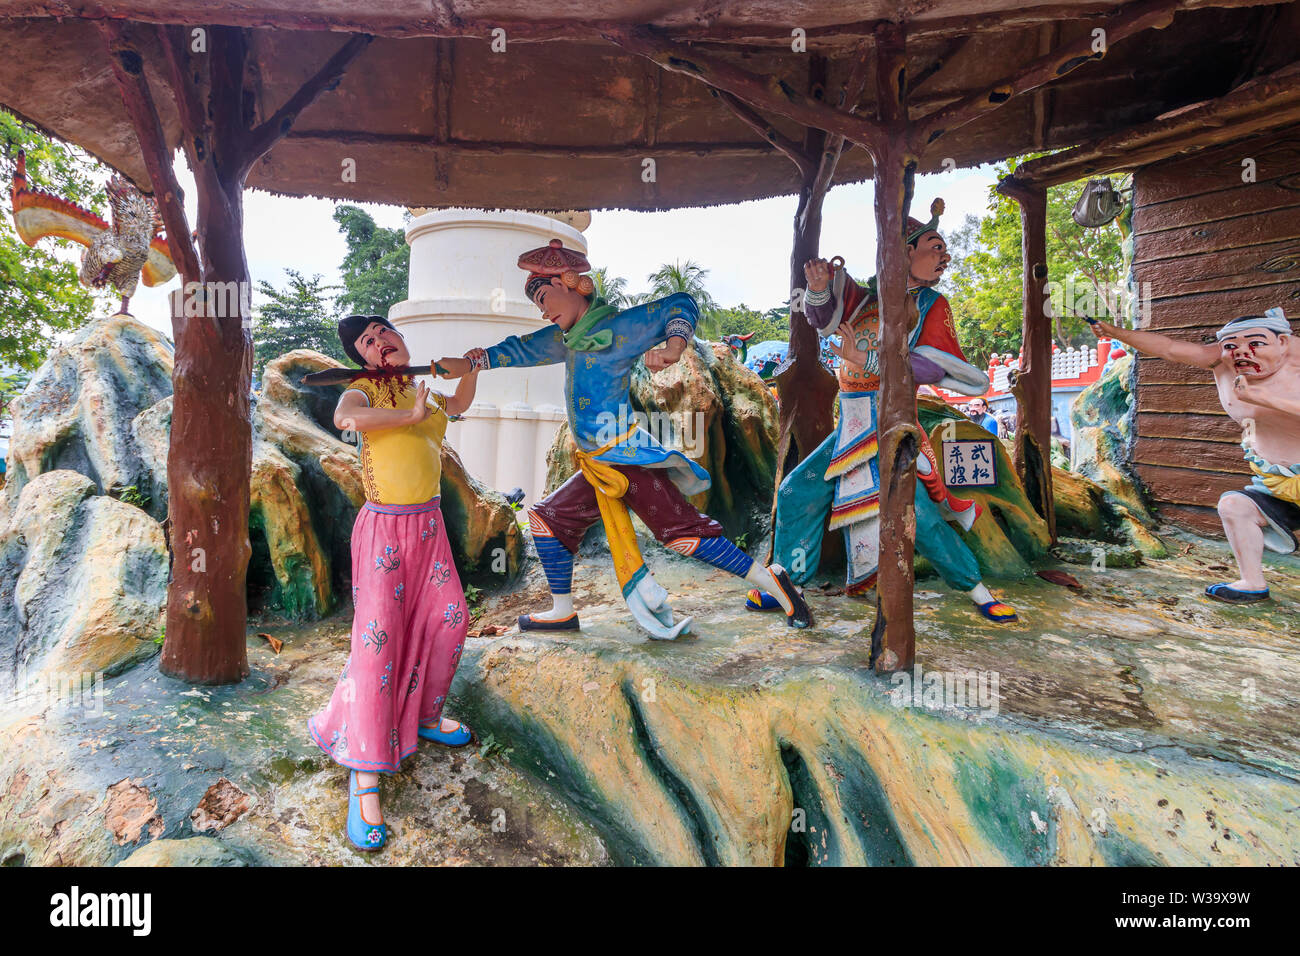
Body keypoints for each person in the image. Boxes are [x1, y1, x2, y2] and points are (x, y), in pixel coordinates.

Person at [435, 239, 812, 638]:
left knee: (684, 535)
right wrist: (470, 362)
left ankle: (774, 583)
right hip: (596, 463)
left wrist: (673, 347)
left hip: (627, 456)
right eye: (537, 304)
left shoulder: (618, 328)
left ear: (570, 283)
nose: (543, 310)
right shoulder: (564, 338)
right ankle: (562, 610)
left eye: (545, 297)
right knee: (547, 520)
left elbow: (680, 302)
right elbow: (518, 350)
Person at [749, 199, 1018, 624]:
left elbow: (933, 366)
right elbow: (822, 318)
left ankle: (979, 591)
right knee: (796, 491)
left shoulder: (933, 306)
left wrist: (869, 362)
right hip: (850, 427)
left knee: (920, 517)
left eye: (944, 249)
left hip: (891, 424)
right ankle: (789, 582)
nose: (944, 256)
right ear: (905, 252)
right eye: (935, 247)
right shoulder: (865, 298)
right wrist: (818, 285)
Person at [308, 315, 481, 852]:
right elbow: (346, 419)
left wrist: (471, 370)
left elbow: (458, 407)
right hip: (384, 529)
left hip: (428, 527)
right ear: (361, 359)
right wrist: (406, 414)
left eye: (385, 332)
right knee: (377, 643)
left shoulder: (419, 388)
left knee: (452, 619)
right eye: (367, 341)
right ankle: (363, 773)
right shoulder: (363, 391)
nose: (380, 341)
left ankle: (425, 715)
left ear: (401, 341)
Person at [1090, 310, 1300, 604]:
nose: (1242, 352)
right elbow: (1169, 349)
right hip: (1276, 480)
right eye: (1231, 346)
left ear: (1282, 342)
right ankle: (1252, 583)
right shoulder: (1225, 359)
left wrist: (1261, 398)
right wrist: (1116, 333)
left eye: (1256, 344)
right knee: (1235, 507)